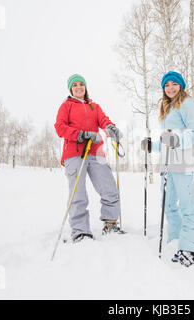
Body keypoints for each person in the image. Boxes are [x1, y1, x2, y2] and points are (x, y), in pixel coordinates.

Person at [141, 71, 194, 269]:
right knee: (169, 205)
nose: (170, 88)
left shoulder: (187, 103)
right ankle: (175, 239)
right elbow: (166, 141)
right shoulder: (166, 107)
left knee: (188, 207)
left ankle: (192, 248)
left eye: (174, 84)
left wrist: (178, 140)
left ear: (181, 85)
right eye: (166, 85)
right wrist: (151, 145)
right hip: (168, 164)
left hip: (184, 163)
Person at [55, 74, 123, 243]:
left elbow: (103, 120)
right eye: (75, 85)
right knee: (78, 193)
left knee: (109, 187)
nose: (79, 87)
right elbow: (60, 127)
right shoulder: (66, 106)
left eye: (82, 84)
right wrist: (81, 135)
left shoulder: (94, 107)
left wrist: (111, 128)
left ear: (85, 87)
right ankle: (80, 231)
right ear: (71, 89)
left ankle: (111, 223)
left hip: (96, 152)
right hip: (74, 153)